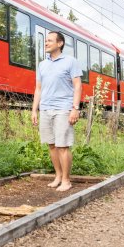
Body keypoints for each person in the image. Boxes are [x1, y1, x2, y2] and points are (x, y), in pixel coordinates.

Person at [31, 31, 82, 192]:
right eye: (46, 40)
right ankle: (58, 176)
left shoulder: (70, 61)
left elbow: (78, 86)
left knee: (63, 146)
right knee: (52, 145)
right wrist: (34, 110)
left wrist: (75, 108)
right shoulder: (42, 64)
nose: (46, 43)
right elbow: (38, 89)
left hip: (63, 109)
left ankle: (66, 180)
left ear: (59, 44)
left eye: (50, 41)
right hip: (45, 108)